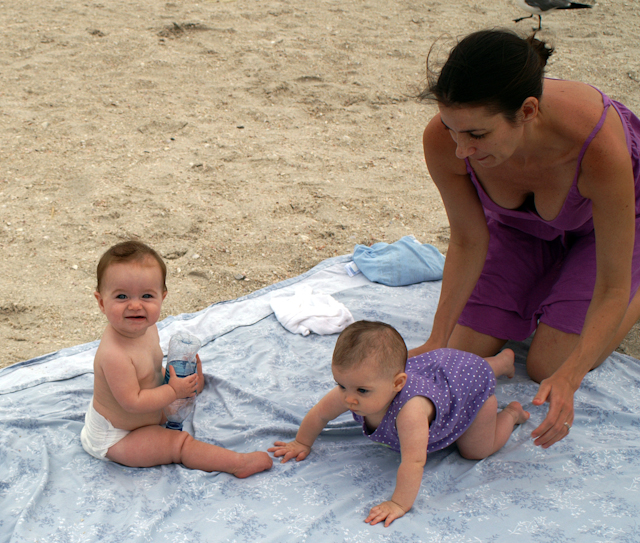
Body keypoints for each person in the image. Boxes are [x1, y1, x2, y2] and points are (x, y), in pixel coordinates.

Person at [412, 29, 640, 449]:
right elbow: (467, 240)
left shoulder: (597, 146)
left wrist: (570, 377)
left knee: (549, 364)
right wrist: (436, 338)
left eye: (477, 135)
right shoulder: (445, 141)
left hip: (607, 228)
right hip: (526, 226)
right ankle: (553, 272)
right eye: (450, 128)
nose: (461, 149)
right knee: (462, 353)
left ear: (529, 111)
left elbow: (612, 285)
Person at [269, 321, 529, 527]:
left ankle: (511, 414)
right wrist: (302, 441)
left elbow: (414, 461)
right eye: (341, 385)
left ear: (397, 384)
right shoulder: (356, 389)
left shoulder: (410, 412)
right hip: (446, 370)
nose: (348, 398)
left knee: (475, 450)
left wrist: (398, 503)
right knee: (471, 367)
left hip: (466, 392)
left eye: (361, 390)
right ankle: (503, 361)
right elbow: (319, 414)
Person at [80, 240, 272, 478]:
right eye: (121, 296)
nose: (135, 305)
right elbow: (133, 402)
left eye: (147, 295)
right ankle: (236, 463)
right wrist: (173, 391)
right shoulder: (114, 354)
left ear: (162, 297)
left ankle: (185, 390)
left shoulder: (147, 328)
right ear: (101, 302)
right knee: (178, 444)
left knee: (184, 393)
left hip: (146, 413)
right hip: (118, 435)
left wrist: (177, 380)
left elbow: (150, 371)